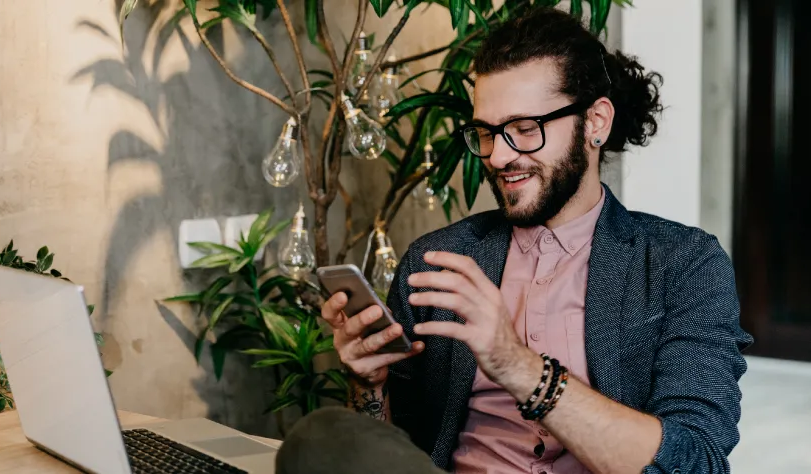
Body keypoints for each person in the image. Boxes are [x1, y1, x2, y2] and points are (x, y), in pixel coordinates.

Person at [276, 7, 752, 474]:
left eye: (526, 130)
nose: (499, 156)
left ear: (596, 123)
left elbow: (696, 461)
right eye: (485, 133)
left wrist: (517, 365)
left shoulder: (682, 262)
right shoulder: (440, 260)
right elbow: (400, 451)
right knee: (316, 439)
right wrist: (368, 386)